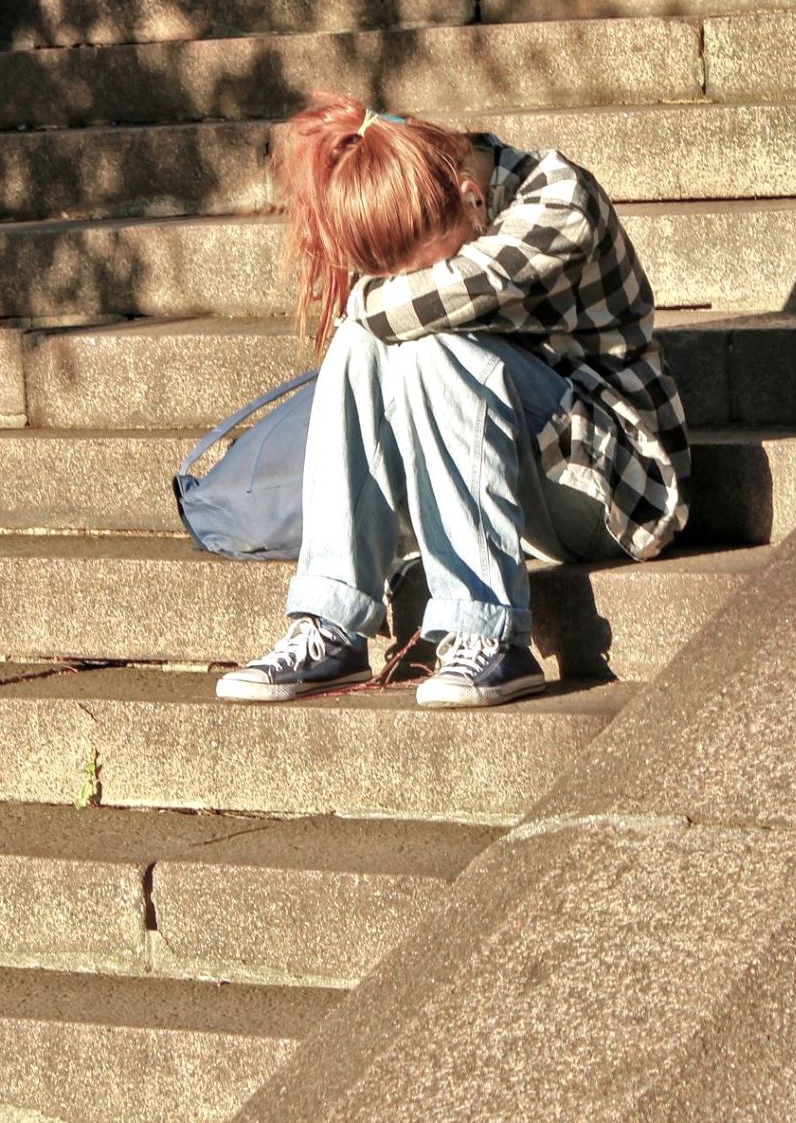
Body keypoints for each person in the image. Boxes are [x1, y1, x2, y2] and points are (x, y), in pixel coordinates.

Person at [214, 95, 689, 709]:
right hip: (518, 482)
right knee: (369, 343)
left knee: (423, 341)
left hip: (616, 489)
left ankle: (489, 634)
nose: (409, 281)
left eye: (424, 266)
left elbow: (402, 305)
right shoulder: (449, 206)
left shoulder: (559, 200)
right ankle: (331, 621)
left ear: (471, 197)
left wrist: (366, 299)